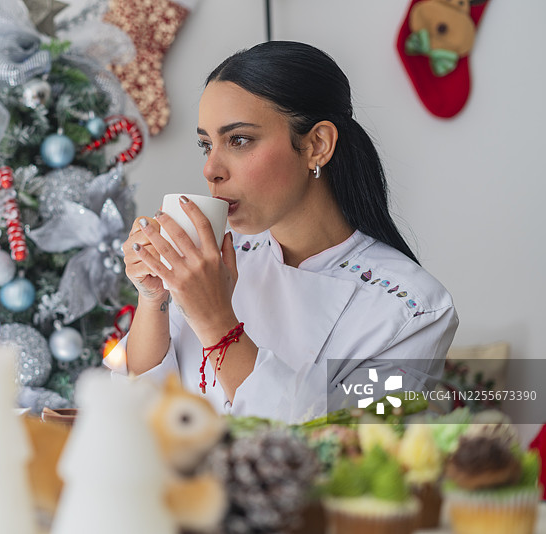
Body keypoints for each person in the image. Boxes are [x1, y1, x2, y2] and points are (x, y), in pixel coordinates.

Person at [106, 41, 458, 423]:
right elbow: (136, 411)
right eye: (206, 144)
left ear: (316, 145)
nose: (211, 169)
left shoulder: (414, 309)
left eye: (239, 140)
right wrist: (152, 298)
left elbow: (338, 451)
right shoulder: (213, 258)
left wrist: (215, 322)